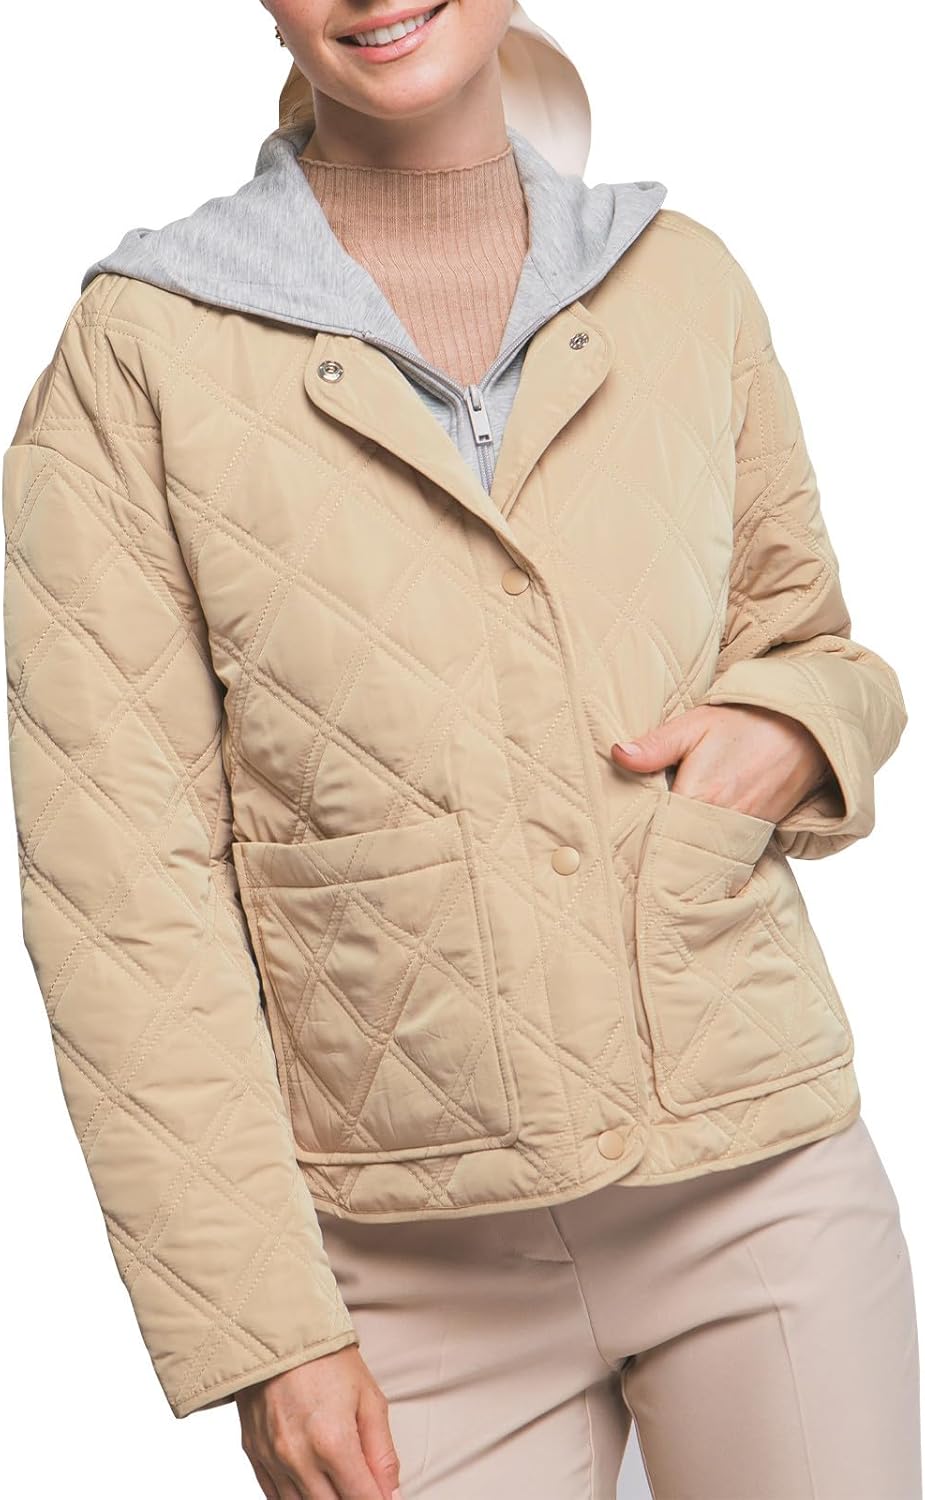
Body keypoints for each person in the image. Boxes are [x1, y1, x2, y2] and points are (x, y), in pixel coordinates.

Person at [2, 2, 920, 1497]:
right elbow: (120, 895)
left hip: (756, 1181)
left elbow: (815, 644)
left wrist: (792, 729)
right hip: (393, 1273)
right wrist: (263, 1333)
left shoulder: (680, 282)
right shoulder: (142, 351)